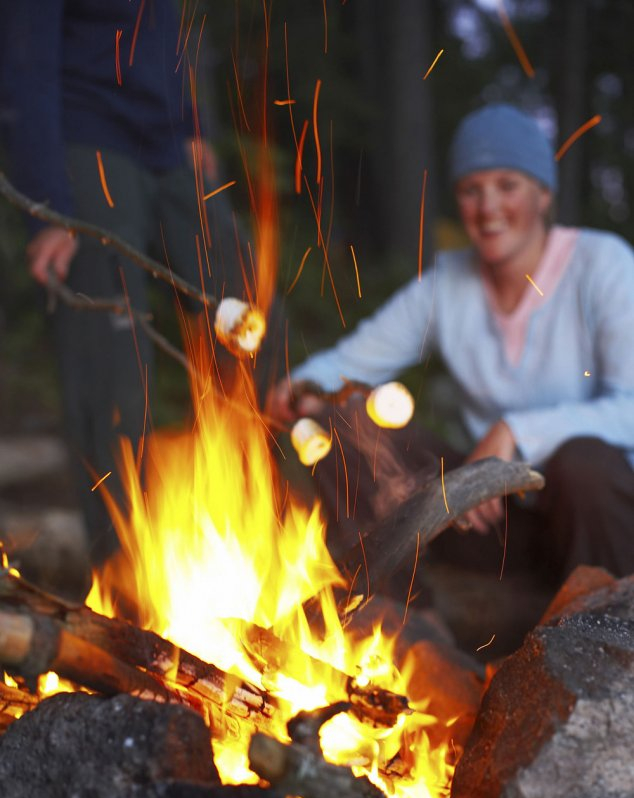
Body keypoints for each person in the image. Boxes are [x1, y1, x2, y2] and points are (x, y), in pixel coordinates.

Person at [267, 103, 634, 588]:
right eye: (470, 190)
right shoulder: (448, 284)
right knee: (343, 422)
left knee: (584, 462)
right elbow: (353, 363)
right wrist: (302, 387)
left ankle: (599, 638)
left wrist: (515, 432)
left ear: (544, 193)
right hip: (492, 522)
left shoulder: (603, 264)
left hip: (597, 519)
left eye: (507, 186)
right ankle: (392, 625)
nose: (488, 208)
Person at [0, 0, 247, 569]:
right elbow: (25, 61)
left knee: (246, 316)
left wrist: (189, 123)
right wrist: (46, 205)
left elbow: (164, 30)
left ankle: (281, 530)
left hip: (167, 142)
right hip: (85, 135)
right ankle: (123, 578)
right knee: (110, 361)